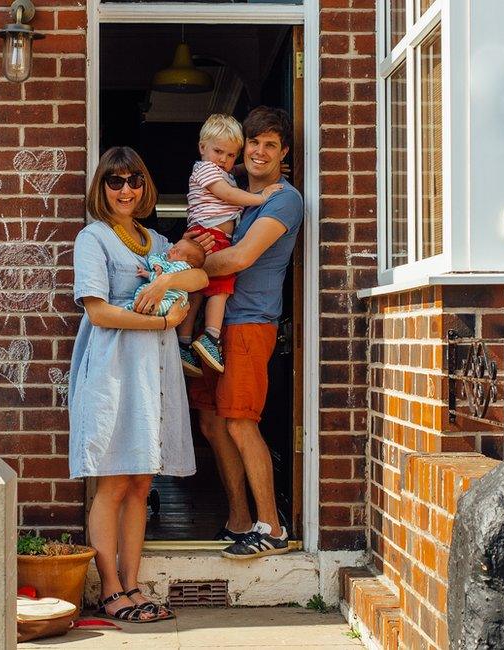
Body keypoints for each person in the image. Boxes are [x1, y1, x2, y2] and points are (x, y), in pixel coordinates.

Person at [69, 146, 208, 621]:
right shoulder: (94, 239)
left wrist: (161, 286)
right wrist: (162, 320)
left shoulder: (156, 241)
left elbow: (198, 274)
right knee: (113, 481)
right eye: (114, 181)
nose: (125, 189)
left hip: (154, 374)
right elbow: (99, 310)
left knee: (141, 481)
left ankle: (134, 584)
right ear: (101, 188)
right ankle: (111, 589)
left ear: (145, 186)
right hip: (113, 370)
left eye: (133, 180)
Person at [187, 106, 303, 560]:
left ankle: (271, 527)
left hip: (249, 323)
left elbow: (236, 260)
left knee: (239, 419)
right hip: (214, 327)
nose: (259, 151)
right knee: (213, 421)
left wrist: (189, 266)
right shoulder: (230, 191)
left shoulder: (283, 199)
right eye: (253, 143)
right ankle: (239, 519)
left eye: (270, 144)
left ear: (283, 152)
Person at [177, 114, 283, 377]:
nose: (223, 160)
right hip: (211, 236)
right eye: (218, 152)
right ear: (202, 148)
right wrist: (261, 197)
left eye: (230, 155)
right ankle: (211, 338)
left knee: (199, 290)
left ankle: (184, 341)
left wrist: (249, 169)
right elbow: (227, 193)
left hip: (206, 234)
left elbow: (227, 175)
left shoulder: (216, 169)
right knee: (221, 289)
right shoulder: (207, 171)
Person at [124, 238, 207, 316]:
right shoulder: (167, 258)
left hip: (173, 296)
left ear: (187, 262)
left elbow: (162, 278)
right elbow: (155, 256)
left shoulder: (182, 267)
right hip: (156, 294)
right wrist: (157, 265)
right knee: (143, 293)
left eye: (177, 251)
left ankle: (141, 309)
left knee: (166, 306)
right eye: (174, 246)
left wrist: (148, 274)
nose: (172, 250)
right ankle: (137, 307)